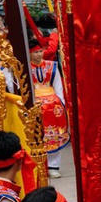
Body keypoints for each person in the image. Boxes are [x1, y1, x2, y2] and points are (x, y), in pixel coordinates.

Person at [29, 41, 70, 177]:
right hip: (36, 104)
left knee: (55, 135)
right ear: (29, 53)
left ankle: (53, 166)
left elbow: (58, 85)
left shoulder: (52, 66)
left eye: (40, 51)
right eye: (35, 52)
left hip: (53, 106)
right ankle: (39, 164)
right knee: (38, 135)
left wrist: (61, 103)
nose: (39, 54)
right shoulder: (26, 67)